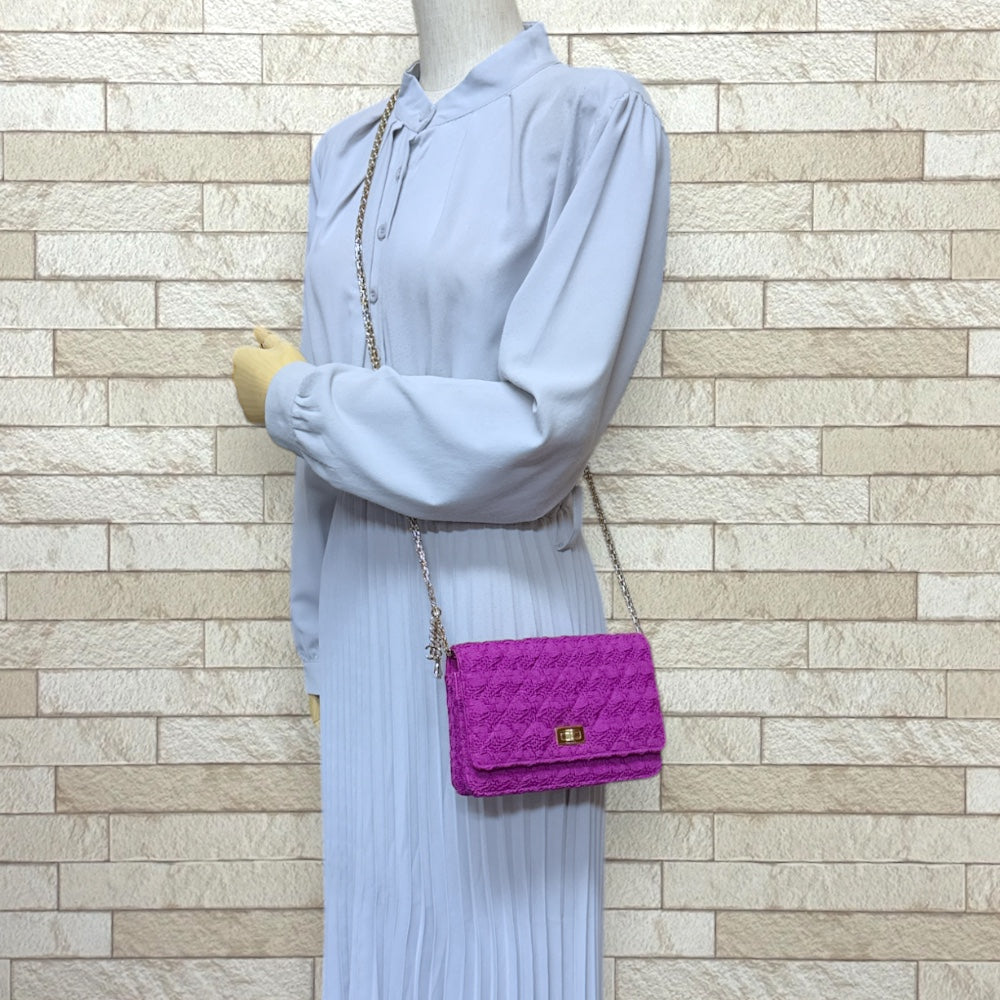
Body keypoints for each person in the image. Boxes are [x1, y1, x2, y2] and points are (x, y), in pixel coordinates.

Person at [232, 1, 671, 996]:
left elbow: (540, 431)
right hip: (363, 626)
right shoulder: (349, 152)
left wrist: (296, 398)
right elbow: (329, 452)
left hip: (504, 618)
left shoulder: (592, 120)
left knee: (506, 952)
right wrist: (315, 632)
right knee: (383, 942)